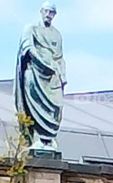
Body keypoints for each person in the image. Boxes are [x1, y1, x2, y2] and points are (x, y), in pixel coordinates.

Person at [15, 5, 66, 152]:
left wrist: (63, 74)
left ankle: (48, 139)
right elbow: (28, 49)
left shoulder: (57, 34)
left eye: (52, 12)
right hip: (35, 73)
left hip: (52, 76)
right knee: (34, 105)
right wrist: (44, 64)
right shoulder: (30, 29)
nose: (49, 15)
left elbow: (59, 57)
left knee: (57, 105)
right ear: (41, 12)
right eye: (46, 11)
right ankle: (37, 138)